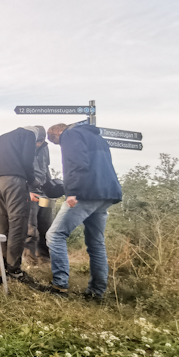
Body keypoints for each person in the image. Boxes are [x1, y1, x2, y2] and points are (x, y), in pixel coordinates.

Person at [43, 123, 122, 299]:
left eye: (56, 141)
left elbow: (76, 163)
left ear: (57, 132)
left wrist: (71, 192)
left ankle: (60, 285)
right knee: (96, 244)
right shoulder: (97, 138)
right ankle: (96, 292)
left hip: (86, 193)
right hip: (107, 194)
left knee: (55, 235)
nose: (60, 145)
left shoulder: (70, 135)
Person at [0, 126, 45, 280]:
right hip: (13, 180)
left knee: (4, 222)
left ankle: (2, 263)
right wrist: (33, 181)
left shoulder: (1, 137)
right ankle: (14, 269)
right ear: (39, 138)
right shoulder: (29, 135)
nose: (36, 145)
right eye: (38, 143)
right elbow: (27, 161)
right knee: (18, 222)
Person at [23, 137, 54, 264]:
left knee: (47, 227)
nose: (38, 143)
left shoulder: (45, 148)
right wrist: (25, 191)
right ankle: (29, 260)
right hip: (31, 193)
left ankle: (45, 260)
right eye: (37, 140)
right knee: (31, 229)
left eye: (41, 141)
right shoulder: (25, 146)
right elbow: (22, 168)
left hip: (45, 194)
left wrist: (51, 188)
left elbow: (46, 168)